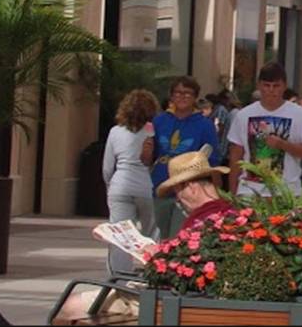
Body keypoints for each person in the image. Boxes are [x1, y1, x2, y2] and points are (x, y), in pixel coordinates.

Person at [53, 148, 234, 327]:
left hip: (177, 301)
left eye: (177, 191)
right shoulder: (232, 215)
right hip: (200, 300)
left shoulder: (201, 221)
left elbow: (183, 271)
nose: (178, 199)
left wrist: (155, 256)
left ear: (191, 187)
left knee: (71, 305)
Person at [141, 76, 220, 238]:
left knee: (180, 236)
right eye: (178, 93)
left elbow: (211, 161)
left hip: (188, 189)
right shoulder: (160, 121)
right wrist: (146, 150)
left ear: (195, 97)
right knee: (158, 237)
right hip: (161, 186)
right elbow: (147, 160)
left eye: (187, 94)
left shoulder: (204, 125)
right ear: (171, 96)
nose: (182, 97)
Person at [227, 62, 302, 197]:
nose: (271, 90)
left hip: (287, 193)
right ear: (259, 85)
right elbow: (236, 157)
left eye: (276, 86)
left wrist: (283, 144)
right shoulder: (244, 115)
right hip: (249, 192)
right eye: (266, 85)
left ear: (284, 86)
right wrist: (233, 193)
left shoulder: (300, 115)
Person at [102, 89, 159, 274]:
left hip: (120, 185)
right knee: (152, 232)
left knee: (120, 235)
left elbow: (107, 167)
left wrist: (110, 185)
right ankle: (153, 271)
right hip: (144, 187)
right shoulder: (151, 132)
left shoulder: (115, 132)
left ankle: (119, 277)